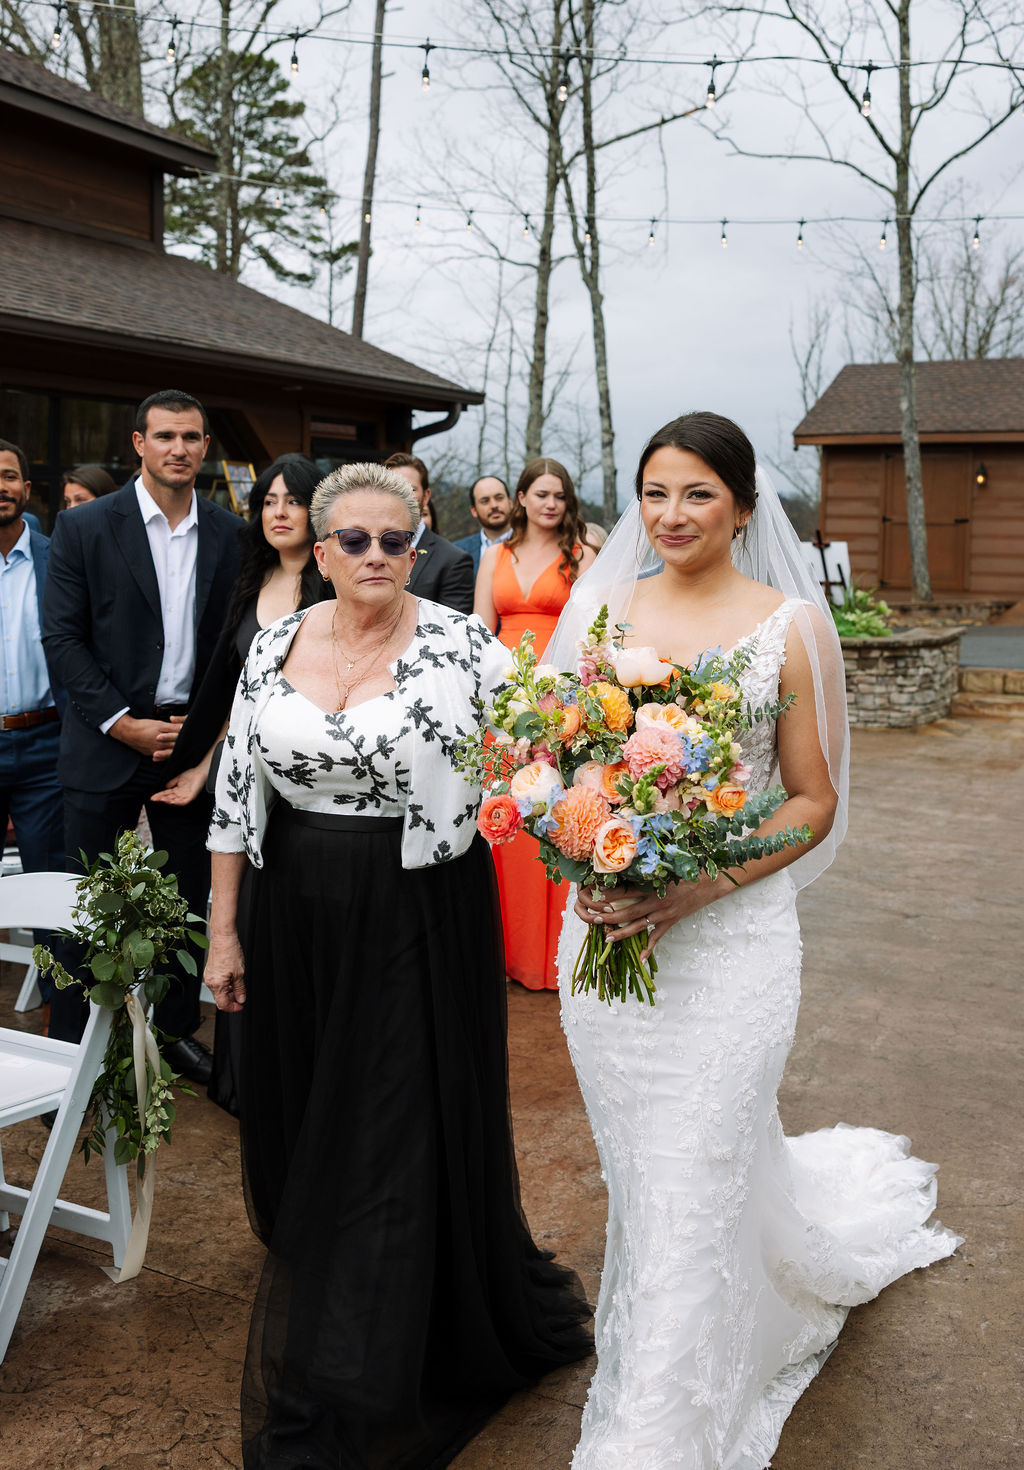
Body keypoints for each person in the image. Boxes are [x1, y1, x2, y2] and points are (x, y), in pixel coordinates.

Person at [549, 412, 960, 1469]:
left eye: (695, 493)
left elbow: (810, 801)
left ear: (740, 503)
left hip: (728, 944)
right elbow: (552, 765)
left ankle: (659, 1430)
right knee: (647, 1175)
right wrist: (587, 842)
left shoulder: (786, 626)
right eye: (652, 492)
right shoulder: (604, 614)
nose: (670, 514)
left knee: (695, 1164)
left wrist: (692, 887)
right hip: (607, 947)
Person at [204, 461, 591, 1467]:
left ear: (419, 546)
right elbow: (238, 798)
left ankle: (362, 1370)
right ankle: (349, 1294)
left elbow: (549, 757)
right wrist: (224, 929)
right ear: (320, 547)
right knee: (306, 1117)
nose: (378, 557)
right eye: (357, 540)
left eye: (398, 540)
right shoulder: (276, 641)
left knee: (388, 1127)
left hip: (418, 908)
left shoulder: (466, 646)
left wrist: (605, 825)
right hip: (294, 909)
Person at [41, 389, 241, 1080]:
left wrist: (205, 729)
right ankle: (73, 1047)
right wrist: (122, 724)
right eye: (165, 437)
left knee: (186, 899)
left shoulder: (228, 532)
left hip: (189, 742)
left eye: (191, 437)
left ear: (205, 447)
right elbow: (62, 639)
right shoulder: (85, 527)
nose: (178, 449)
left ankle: (176, 1032)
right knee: (85, 901)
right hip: (105, 738)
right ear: (138, 443)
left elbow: (229, 646)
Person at [152, 452, 332, 1114]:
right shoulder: (244, 582)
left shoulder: (334, 585)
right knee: (245, 926)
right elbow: (232, 696)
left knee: (305, 923)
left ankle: (316, 1075)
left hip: (314, 779)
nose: (279, 512)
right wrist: (200, 769)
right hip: (244, 780)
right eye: (268, 501)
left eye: (292, 501)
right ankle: (251, 1076)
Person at [474, 457, 596, 991]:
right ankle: (499, 951)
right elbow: (481, 630)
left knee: (548, 817)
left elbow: (596, 631)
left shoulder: (581, 556)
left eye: (560, 496)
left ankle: (548, 956)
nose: (551, 503)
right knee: (503, 820)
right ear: (521, 497)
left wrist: (570, 701)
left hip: (558, 704)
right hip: (501, 706)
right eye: (541, 494)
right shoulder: (495, 555)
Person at [0, 439, 65, 898]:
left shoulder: (59, 558)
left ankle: (54, 976)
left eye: (6, 476)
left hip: (48, 747)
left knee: (51, 896)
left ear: (25, 488)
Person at [383, 451, 474, 612]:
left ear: (426, 497)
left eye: (410, 489)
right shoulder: (361, 548)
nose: (401, 495)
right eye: (392, 488)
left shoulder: (452, 560)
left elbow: (453, 631)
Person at [453, 474, 514, 574]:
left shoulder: (531, 545)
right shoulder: (457, 552)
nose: (494, 505)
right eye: (485, 501)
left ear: (510, 502)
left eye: (499, 498)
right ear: (474, 511)